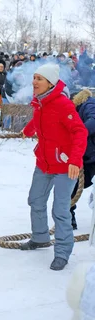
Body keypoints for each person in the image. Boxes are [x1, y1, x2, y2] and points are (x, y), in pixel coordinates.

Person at [21, 63, 87, 271]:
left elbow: (80, 132)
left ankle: (62, 252)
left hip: (65, 166)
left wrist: (75, 160)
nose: (34, 82)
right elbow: (40, 121)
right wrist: (28, 130)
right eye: (34, 77)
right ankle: (40, 237)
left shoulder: (63, 104)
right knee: (35, 200)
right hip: (44, 162)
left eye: (39, 79)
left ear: (50, 83)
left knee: (60, 210)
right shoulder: (40, 103)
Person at [70, 89, 95, 230]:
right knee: (72, 186)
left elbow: (94, 121)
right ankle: (69, 218)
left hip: (91, 155)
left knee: (73, 186)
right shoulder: (79, 108)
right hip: (85, 154)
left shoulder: (88, 104)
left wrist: (78, 133)